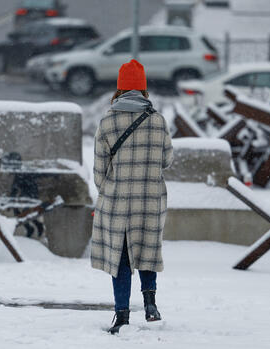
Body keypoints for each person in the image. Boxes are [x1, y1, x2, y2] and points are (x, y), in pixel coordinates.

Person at [91, 59, 174, 334]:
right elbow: (167, 160)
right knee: (147, 248)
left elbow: (99, 172)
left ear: (119, 90)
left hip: (118, 200)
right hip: (150, 198)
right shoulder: (158, 121)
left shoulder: (107, 122)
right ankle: (150, 304)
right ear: (143, 90)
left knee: (121, 258)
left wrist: (111, 189)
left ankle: (122, 315)